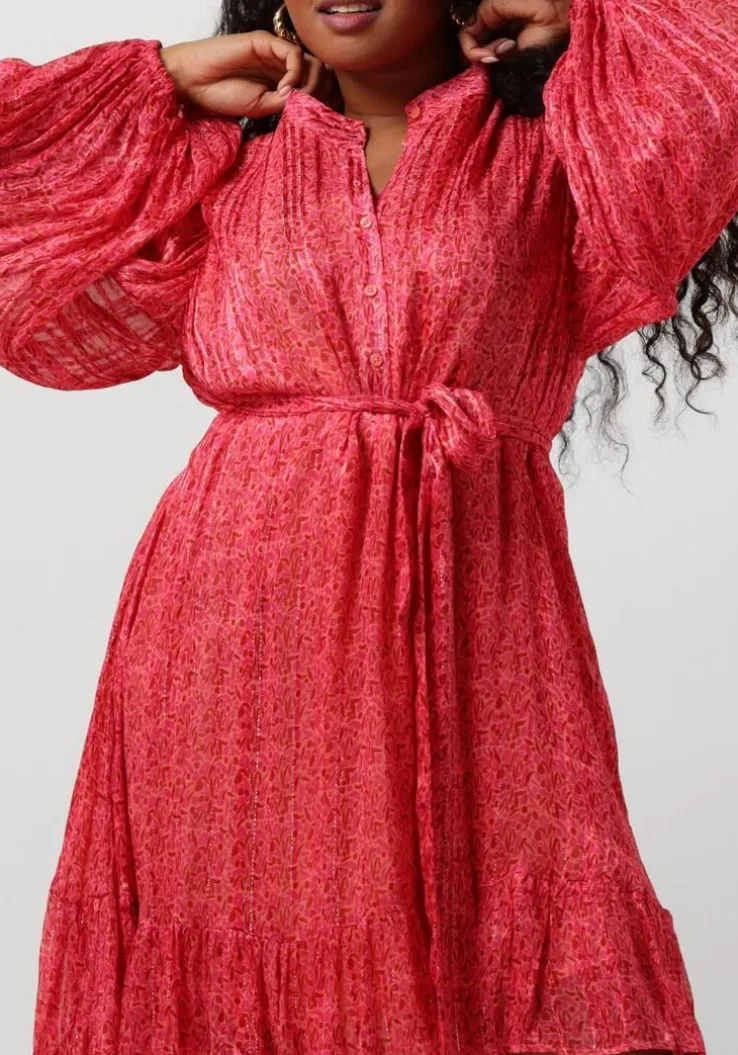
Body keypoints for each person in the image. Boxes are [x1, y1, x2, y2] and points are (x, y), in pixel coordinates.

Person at [1, 1, 736, 1053]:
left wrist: (576, 11)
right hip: (233, 635)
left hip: (484, 618)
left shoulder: (568, 138)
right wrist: (154, 77)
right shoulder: (226, 158)